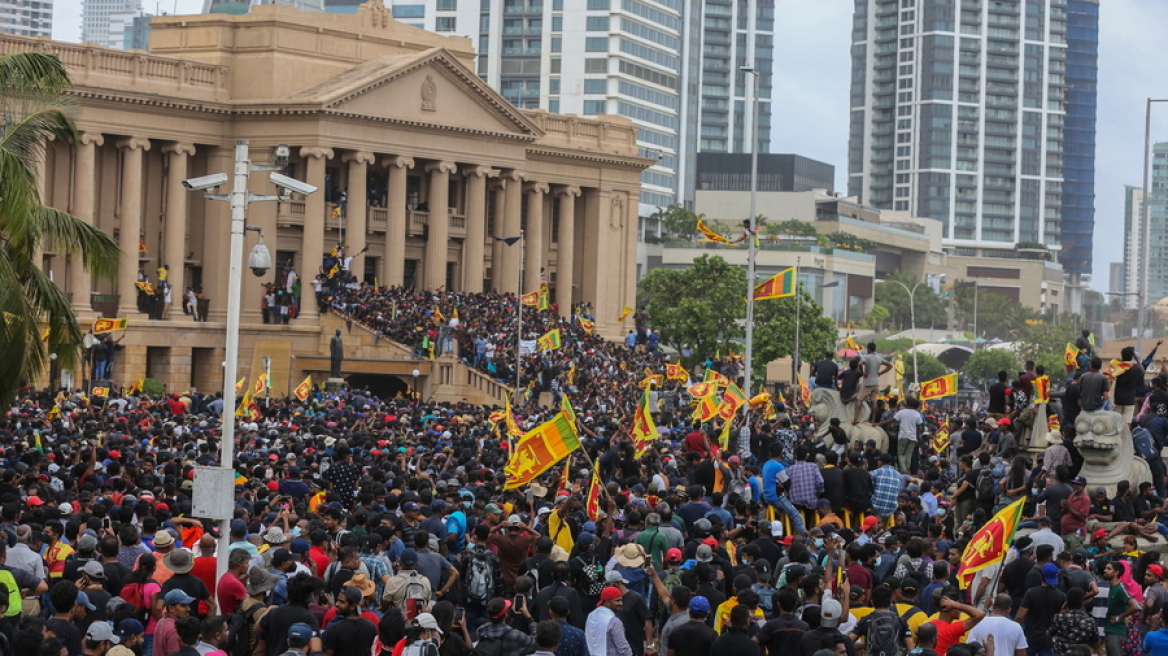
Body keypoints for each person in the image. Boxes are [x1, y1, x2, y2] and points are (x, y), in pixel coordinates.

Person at [586, 587, 632, 656]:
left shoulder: (591, 616)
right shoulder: (614, 622)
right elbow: (623, 649)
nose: (621, 603)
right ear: (607, 602)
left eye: (621, 600)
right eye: (617, 600)